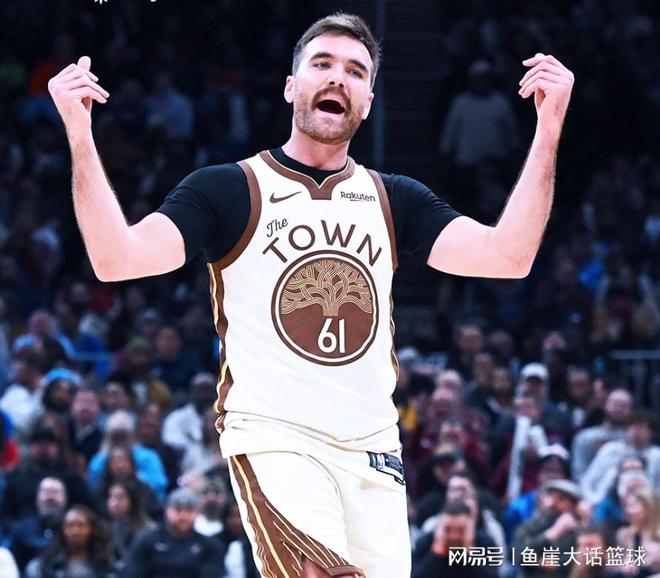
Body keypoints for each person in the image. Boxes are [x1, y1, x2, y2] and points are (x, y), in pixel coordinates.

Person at [48, 12, 574, 578]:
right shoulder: (228, 189)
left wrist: (549, 128)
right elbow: (117, 258)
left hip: (373, 448)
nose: (337, 77)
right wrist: (80, 133)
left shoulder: (394, 199)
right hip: (277, 438)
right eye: (321, 63)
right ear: (290, 86)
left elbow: (508, 257)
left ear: (367, 101)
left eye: (355, 71)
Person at [121, 487, 222, 578]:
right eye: (178, 510)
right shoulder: (147, 540)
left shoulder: (209, 546)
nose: (183, 516)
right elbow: (134, 573)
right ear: (166, 510)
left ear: (197, 512)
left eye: (189, 511)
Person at [24, 505, 114, 578]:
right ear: (63, 530)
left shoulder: (105, 563)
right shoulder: (46, 564)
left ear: (91, 529)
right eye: (70, 525)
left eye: (80, 525)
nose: (75, 531)